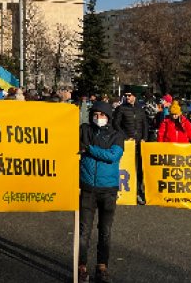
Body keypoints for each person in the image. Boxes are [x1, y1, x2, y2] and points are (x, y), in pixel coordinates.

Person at [78, 101, 123, 283]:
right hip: (88, 188)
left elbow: (113, 156)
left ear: (109, 117)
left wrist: (89, 149)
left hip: (108, 190)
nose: (99, 118)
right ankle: (81, 267)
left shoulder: (117, 135)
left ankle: (102, 267)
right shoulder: (85, 130)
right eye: (95, 115)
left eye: (102, 115)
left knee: (105, 231)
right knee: (83, 232)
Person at [113, 91, 147, 204]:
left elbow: (145, 125)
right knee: (128, 167)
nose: (127, 97)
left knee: (139, 168)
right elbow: (116, 124)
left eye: (129, 95)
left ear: (134, 97)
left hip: (139, 144)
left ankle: (138, 191)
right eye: (126, 96)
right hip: (127, 143)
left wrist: (144, 138)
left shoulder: (140, 109)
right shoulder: (121, 109)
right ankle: (126, 191)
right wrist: (125, 137)